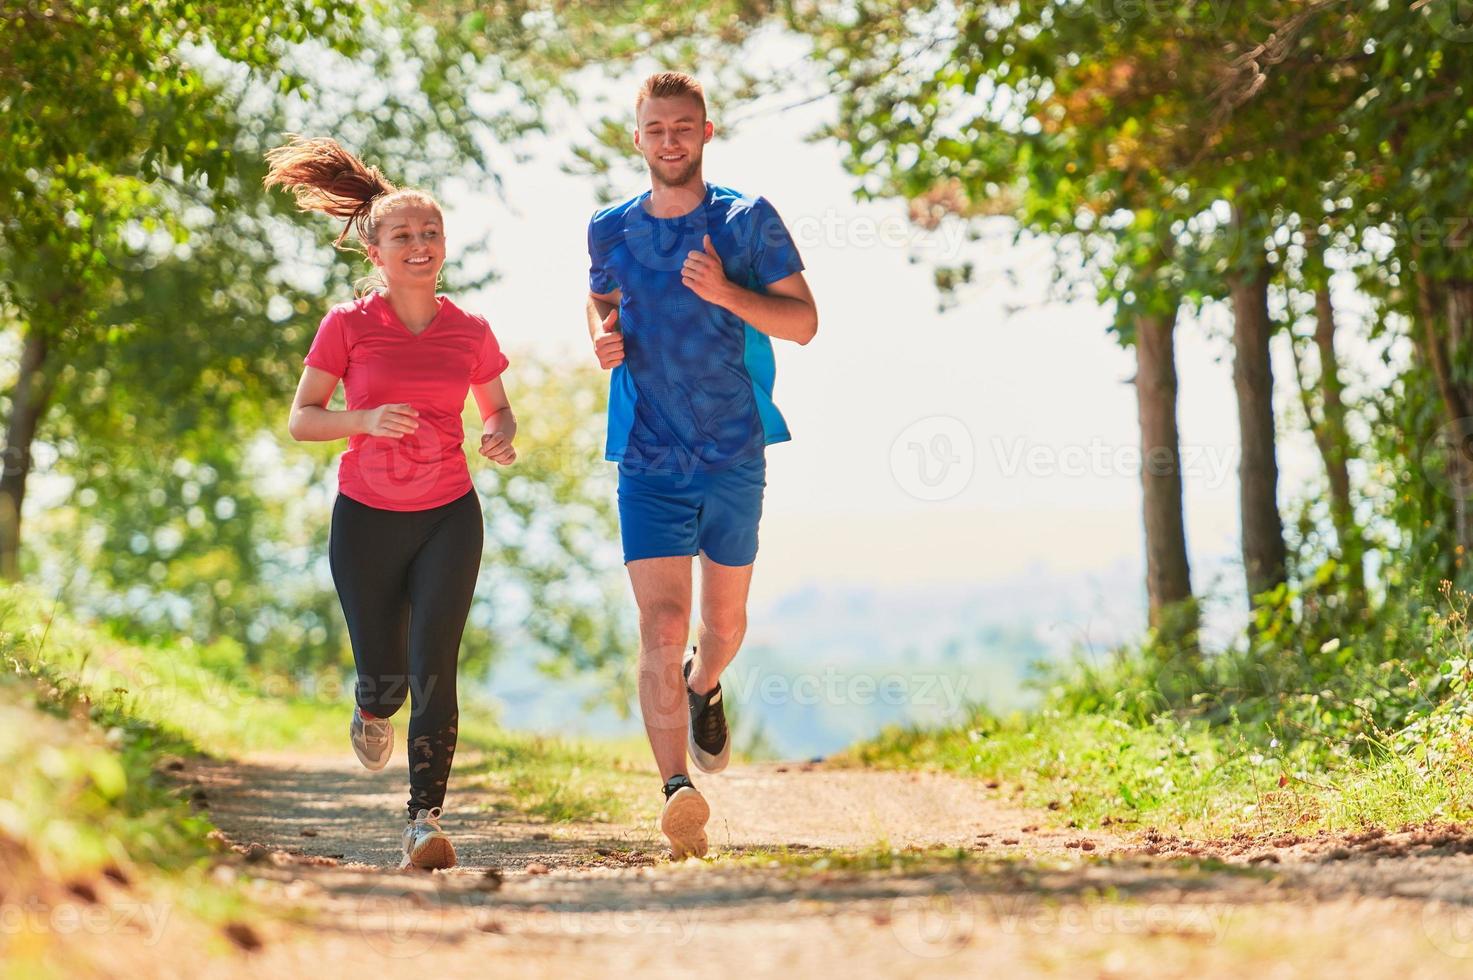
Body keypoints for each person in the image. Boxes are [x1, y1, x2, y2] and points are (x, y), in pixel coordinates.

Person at [266, 136, 517, 870]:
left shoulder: (469, 330)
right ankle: (372, 708)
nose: (419, 244)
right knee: (387, 676)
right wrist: (363, 420)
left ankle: (424, 821)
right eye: (403, 235)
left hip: (448, 511)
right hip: (366, 517)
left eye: (430, 233)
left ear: (444, 246)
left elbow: (497, 410)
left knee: (435, 661)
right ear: (374, 252)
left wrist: (498, 435)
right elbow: (302, 418)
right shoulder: (347, 325)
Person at [585, 72, 818, 859]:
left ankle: (703, 684)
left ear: (706, 133)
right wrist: (601, 338)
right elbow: (604, 303)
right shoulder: (608, 229)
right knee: (660, 622)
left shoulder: (746, 220)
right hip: (647, 452)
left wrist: (725, 291)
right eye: (655, 128)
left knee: (720, 626)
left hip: (730, 449)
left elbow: (804, 324)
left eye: (683, 126)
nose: (669, 140)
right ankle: (676, 790)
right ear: (637, 138)